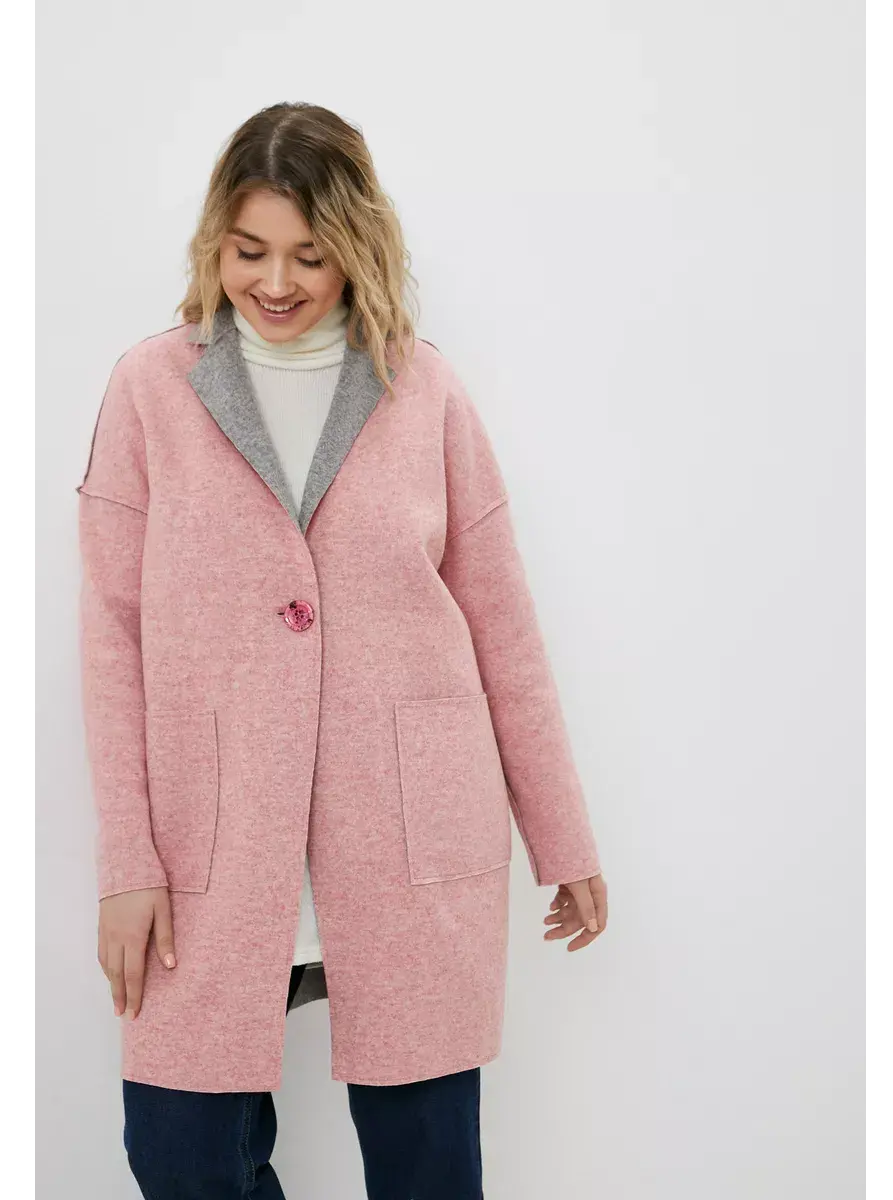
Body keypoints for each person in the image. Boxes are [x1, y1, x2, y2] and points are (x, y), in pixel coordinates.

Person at [76, 101, 608, 1199]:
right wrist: (128, 864)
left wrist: (562, 835)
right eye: (249, 251)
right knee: (179, 1156)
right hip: (213, 840)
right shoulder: (149, 390)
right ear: (215, 242)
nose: (276, 283)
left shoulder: (426, 389)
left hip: (407, 832)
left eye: (310, 256)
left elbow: (503, 627)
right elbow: (111, 642)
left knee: (428, 1170)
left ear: (358, 245)